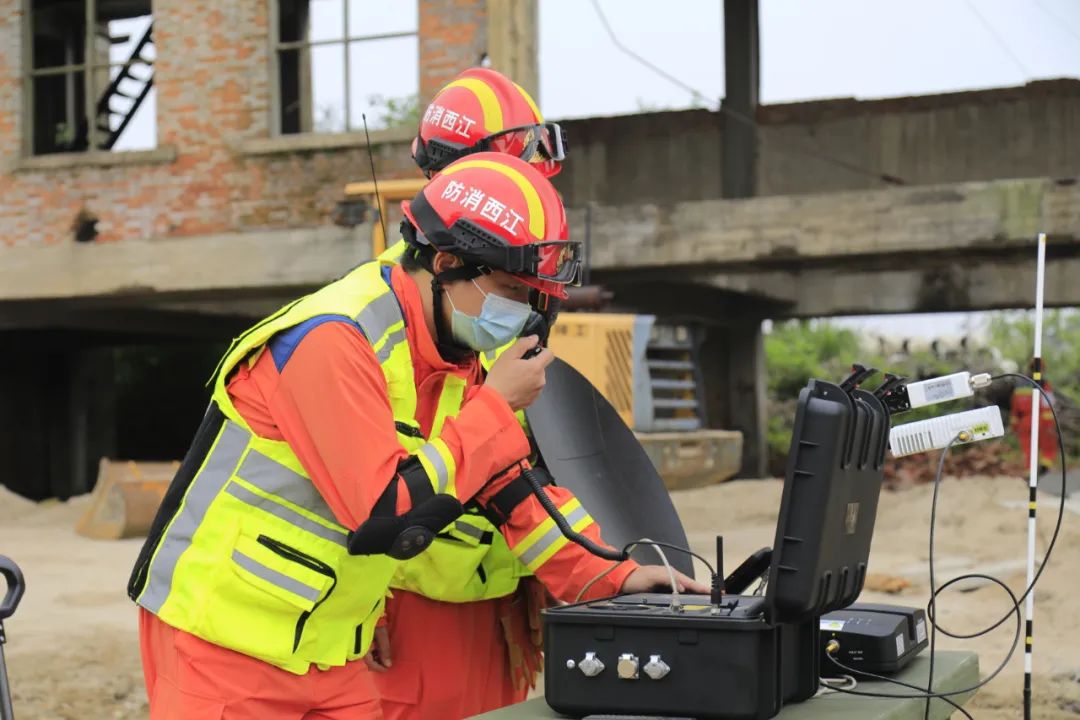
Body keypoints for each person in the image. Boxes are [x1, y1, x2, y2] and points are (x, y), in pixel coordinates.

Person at [128, 153, 702, 720]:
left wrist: (613, 573)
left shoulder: (448, 350)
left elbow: (507, 488)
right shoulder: (332, 342)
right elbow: (384, 514)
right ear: (447, 262)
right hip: (220, 643)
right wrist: (496, 408)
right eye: (510, 288)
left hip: (325, 650)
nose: (521, 313)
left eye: (532, 297)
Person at [1010, 359, 1058, 474]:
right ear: (1042, 369)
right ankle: (1045, 466)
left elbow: (1015, 409)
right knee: (1048, 444)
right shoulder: (1044, 385)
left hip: (1024, 422)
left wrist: (1015, 425)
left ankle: (1029, 473)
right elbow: (1048, 405)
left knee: (1027, 449)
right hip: (1041, 420)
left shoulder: (1020, 386)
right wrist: (1050, 425)